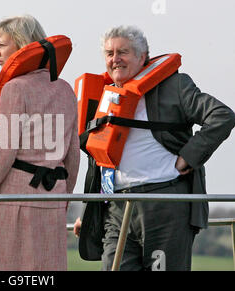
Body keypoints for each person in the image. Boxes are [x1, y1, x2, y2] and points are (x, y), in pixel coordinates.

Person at [74, 25, 235, 271]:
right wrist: (90, 214)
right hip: (116, 209)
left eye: (123, 52)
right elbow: (98, 164)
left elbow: (222, 116)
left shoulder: (175, 86)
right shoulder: (103, 98)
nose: (115, 59)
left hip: (165, 205)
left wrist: (188, 157)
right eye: (109, 53)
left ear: (142, 56)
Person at [0, 15, 80, 271]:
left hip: (14, 201)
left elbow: (4, 152)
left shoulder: (15, 88)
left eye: (1, 44)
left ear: (22, 45)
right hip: (53, 199)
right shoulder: (65, 89)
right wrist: (63, 196)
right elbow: (73, 155)